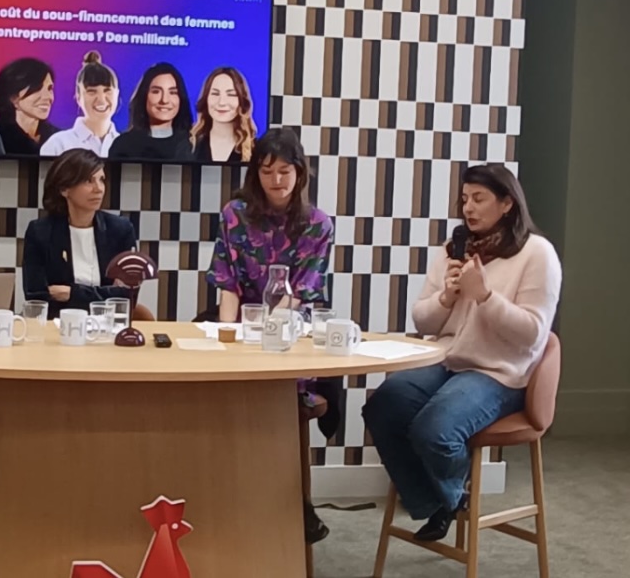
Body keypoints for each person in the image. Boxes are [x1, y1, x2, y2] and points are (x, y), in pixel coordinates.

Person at [363, 164, 562, 542]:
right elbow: (424, 322)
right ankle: (439, 502)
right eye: (464, 199)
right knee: (383, 405)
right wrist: (447, 296)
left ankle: (452, 497)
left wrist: (485, 297)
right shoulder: (455, 250)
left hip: (500, 372)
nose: (468, 208)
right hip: (447, 361)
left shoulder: (537, 254)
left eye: (479, 199)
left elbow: (533, 336)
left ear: (507, 203)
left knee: (435, 429)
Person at [204, 127, 336, 544]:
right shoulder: (234, 214)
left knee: (279, 400)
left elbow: (301, 292)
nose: (277, 181)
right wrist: (230, 336)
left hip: (291, 328)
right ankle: (221, 498)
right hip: (242, 321)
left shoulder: (318, 225)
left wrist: (267, 332)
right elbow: (226, 282)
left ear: (300, 173)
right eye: (267, 172)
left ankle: (296, 505)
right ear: (254, 174)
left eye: (285, 171)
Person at [22, 148, 138, 318]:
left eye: (101, 180)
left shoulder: (120, 230)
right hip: (57, 328)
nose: (98, 189)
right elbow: (36, 297)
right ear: (64, 189)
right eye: (88, 181)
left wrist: (72, 294)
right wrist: (104, 293)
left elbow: (127, 296)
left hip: (107, 327)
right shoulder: (40, 232)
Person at [39, 50, 120, 157]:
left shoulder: (128, 146)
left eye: (107, 90)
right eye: (92, 91)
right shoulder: (57, 145)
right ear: (78, 96)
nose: (101, 99)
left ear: (117, 94)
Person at [108, 62, 195, 161]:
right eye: (156, 91)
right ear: (144, 96)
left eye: (173, 92)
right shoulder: (123, 145)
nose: (164, 100)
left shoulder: (192, 144)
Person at [190, 66, 257, 163]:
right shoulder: (190, 144)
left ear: (241, 102)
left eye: (231, 95)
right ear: (206, 99)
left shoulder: (256, 149)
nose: (221, 102)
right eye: (215, 94)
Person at [0, 57, 60, 155]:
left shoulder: (57, 137)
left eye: (49, 89)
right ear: (13, 97)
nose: (48, 97)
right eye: (37, 89)